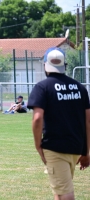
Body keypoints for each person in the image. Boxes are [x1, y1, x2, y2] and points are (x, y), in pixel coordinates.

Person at [27, 47, 90, 200]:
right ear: (64, 65)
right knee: (60, 191)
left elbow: (37, 118)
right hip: (75, 146)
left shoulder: (42, 87)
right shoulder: (80, 88)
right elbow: (88, 120)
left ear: (45, 65)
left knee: (66, 194)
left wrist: (37, 145)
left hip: (55, 148)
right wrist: (86, 151)